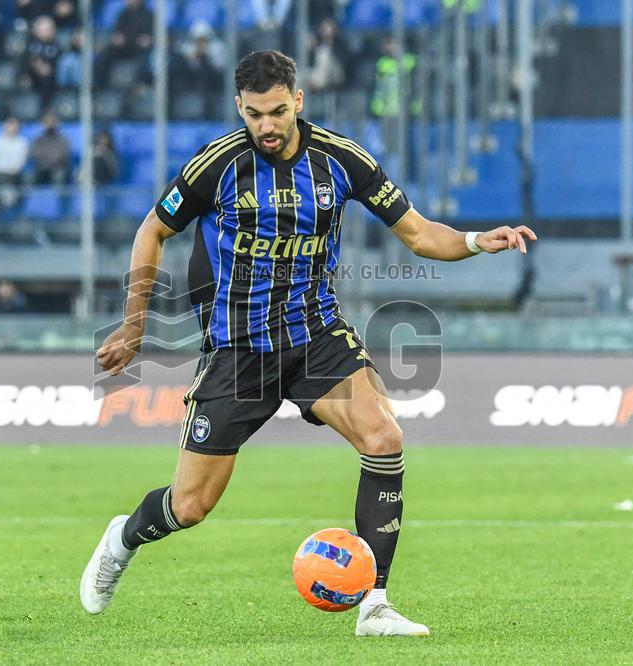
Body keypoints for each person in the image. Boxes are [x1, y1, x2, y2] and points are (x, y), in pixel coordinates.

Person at [84, 51, 536, 636]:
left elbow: (421, 235)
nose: (266, 126)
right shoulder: (216, 167)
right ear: (239, 108)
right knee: (190, 506)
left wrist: (477, 240)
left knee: (384, 437)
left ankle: (374, 605)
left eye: (276, 111)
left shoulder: (342, 161)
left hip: (314, 334)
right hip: (238, 350)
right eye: (253, 114)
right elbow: (153, 230)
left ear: (298, 101)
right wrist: (134, 326)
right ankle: (123, 538)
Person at [24, 15, 61, 105]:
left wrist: (47, 68)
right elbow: (25, 60)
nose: (45, 33)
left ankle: (45, 108)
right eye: (42, 30)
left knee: (47, 79)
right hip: (32, 76)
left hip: (51, 79)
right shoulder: (29, 45)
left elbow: (56, 64)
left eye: (48, 30)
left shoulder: (56, 46)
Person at [0, 117, 29, 186]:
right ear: (4, 126)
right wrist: (5, 169)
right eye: (10, 125)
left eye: (15, 126)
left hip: (11, 177)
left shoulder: (22, 143)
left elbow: (18, 165)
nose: (12, 128)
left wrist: (4, 168)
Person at [29, 112, 70, 185]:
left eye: (52, 121)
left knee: (59, 175)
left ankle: (60, 196)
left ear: (56, 123)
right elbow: (34, 153)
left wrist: (52, 161)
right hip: (42, 167)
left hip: (57, 167)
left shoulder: (62, 139)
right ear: (43, 124)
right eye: (47, 121)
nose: (50, 124)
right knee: (29, 176)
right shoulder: (38, 140)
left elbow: (64, 154)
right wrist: (46, 161)